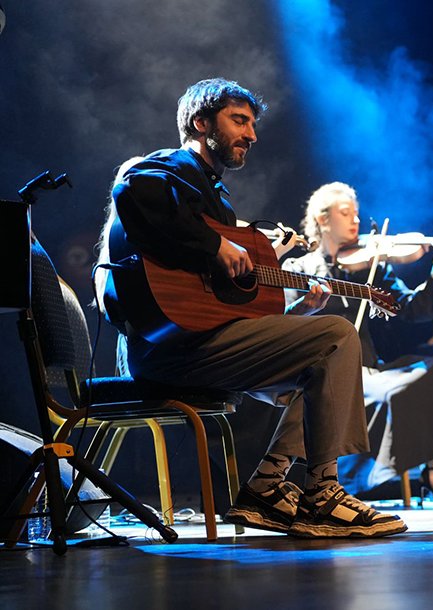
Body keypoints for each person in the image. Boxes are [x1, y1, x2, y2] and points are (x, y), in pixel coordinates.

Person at [101, 78, 407, 537]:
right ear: (201, 123)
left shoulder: (216, 196)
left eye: (252, 124)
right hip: (170, 350)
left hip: (201, 341)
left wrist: (297, 309)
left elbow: (221, 306)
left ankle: (267, 485)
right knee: (338, 336)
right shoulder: (168, 167)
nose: (251, 135)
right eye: (238, 121)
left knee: (328, 364)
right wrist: (212, 245)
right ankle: (321, 495)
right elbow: (133, 193)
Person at [267, 181, 433, 509]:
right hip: (328, 373)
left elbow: (413, 309)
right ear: (322, 221)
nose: (355, 222)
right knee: (389, 393)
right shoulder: (297, 269)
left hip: (372, 369)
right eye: (345, 213)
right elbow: (283, 323)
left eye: (357, 214)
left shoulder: (372, 265)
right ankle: (351, 484)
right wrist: (307, 307)